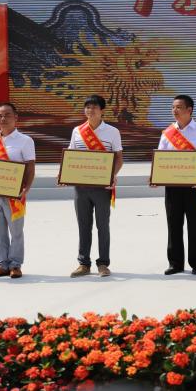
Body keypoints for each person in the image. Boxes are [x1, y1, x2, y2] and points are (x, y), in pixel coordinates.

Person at [157, 95, 196, 275]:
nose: (174, 111)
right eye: (173, 107)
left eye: (178, 107)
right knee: (173, 225)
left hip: (195, 186)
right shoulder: (167, 133)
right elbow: (160, 158)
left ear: (189, 110)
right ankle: (175, 263)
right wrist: (156, 176)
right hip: (173, 186)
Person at [67, 95, 124, 278]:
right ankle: (83, 263)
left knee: (102, 226)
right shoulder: (77, 131)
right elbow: (71, 157)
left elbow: (119, 159)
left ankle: (103, 264)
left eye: (94, 107)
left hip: (102, 187)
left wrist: (112, 175)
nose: (90, 110)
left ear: (102, 110)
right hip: (81, 187)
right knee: (83, 225)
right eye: (87, 107)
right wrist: (64, 174)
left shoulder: (112, 132)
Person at [0, 103, 35, 279]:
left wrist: (26, 188)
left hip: (15, 196)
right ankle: (2, 264)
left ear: (16, 117)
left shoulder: (25, 140)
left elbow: (30, 167)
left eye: (7, 115)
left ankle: (15, 264)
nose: (3, 119)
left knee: (16, 232)